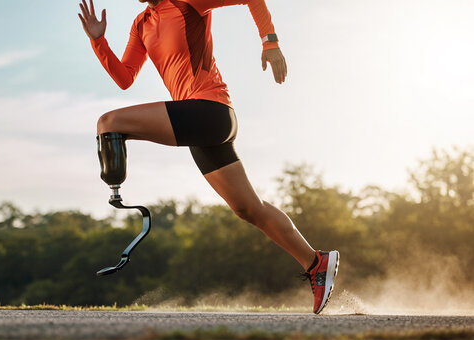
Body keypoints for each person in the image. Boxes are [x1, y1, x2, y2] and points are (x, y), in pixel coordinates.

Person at [78, 0, 339, 314]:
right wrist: (98, 40)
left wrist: (271, 42)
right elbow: (125, 77)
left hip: (209, 111)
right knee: (248, 209)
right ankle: (316, 262)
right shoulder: (141, 23)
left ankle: (114, 190)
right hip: (200, 125)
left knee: (109, 123)